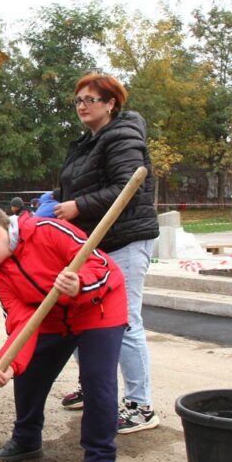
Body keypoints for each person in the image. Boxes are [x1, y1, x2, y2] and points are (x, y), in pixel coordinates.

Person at [0, 201, 127, 462]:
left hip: (98, 309)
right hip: (51, 320)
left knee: (97, 382)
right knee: (29, 374)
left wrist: (80, 285)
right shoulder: (3, 275)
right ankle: (26, 441)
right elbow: (21, 325)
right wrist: (6, 366)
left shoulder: (48, 231)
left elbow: (100, 265)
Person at [52, 73, 160, 434]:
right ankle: (94, 385)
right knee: (85, 316)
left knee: (125, 321)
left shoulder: (123, 138)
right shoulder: (88, 142)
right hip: (94, 244)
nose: (83, 105)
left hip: (126, 240)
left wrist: (77, 206)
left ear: (111, 103)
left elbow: (126, 187)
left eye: (91, 99)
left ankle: (140, 405)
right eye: (79, 99)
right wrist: (51, 202)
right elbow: (73, 183)